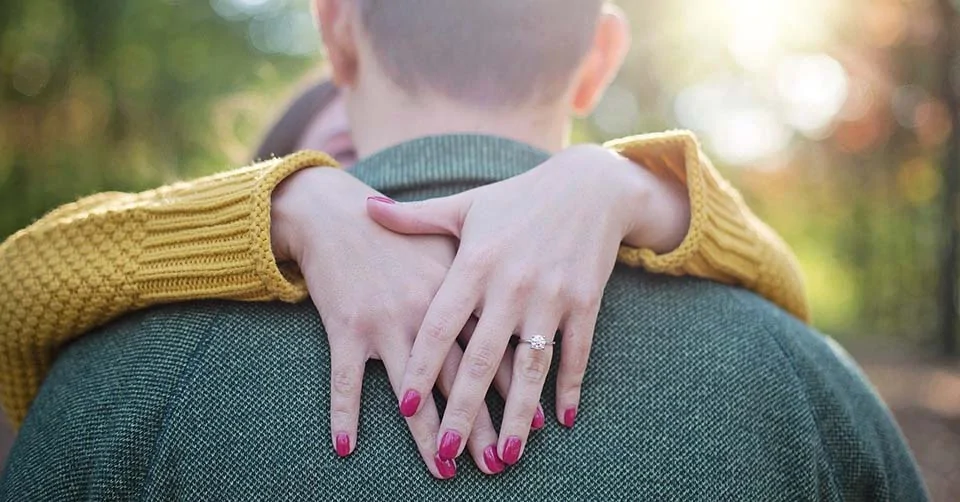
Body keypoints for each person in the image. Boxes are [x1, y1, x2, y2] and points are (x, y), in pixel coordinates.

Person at [0, 0, 926, 498]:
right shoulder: (798, 375)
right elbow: (791, 309)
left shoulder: (119, 377)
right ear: (598, 57)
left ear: (335, 27)